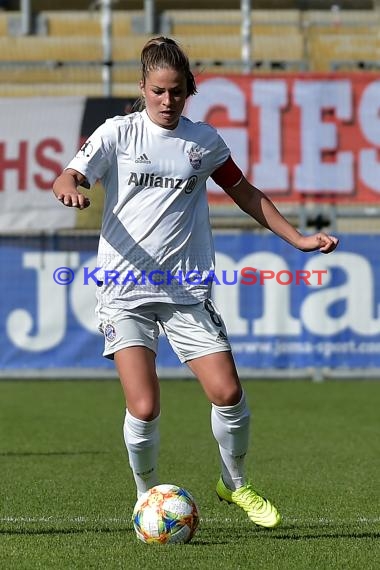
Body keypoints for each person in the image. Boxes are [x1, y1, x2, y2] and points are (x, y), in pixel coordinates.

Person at [53, 36, 338, 530]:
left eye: (178, 92)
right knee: (144, 406)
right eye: (159, 91)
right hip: (124, 290)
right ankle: (148, 499)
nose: (168, 102)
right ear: (142, 88)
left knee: (227, 393)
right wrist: (70, 188)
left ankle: (235, 484)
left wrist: (297, 239)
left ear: (190, 91)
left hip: (186, 290)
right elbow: (70, 175)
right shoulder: (117, 134)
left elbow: (246, 192)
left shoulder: (203, 142)